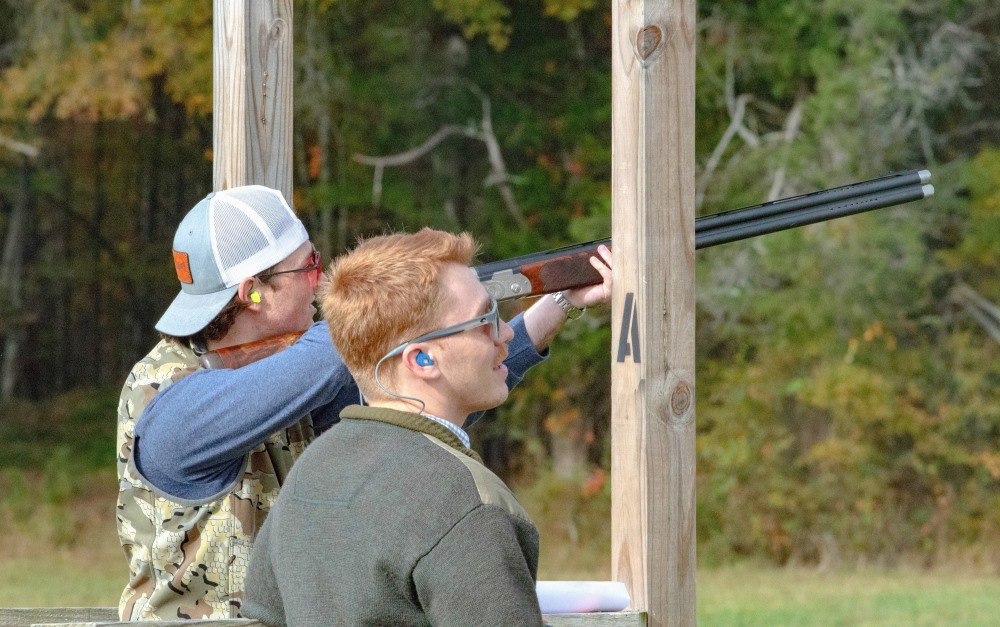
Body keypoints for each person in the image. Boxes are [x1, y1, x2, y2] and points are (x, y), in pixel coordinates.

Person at [116, 185, 613, 621]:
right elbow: (364, 351)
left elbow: (415, 396)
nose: (321, 277)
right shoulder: (170, 407)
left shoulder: (291, 374)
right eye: (308, 265)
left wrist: (557, 302)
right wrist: (415, 300)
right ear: (254, 293)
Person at [242, 228, 611, 626]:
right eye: (484, 320)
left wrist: (562, 299)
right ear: (421, 361)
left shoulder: (309, 473)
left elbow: (261, 615)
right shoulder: (463, 501)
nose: (505, 333)